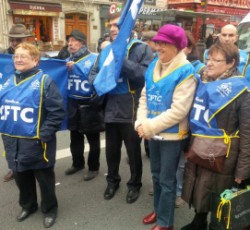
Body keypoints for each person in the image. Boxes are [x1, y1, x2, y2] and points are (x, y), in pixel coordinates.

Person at [181, 43, 250, 230]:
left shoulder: (242, 91)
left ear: (230, 63)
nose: (209, 63)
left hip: (226, 155)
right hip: (199, 147)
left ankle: (215, 224)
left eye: (216, 60)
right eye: (208, 58)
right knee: (199, 186)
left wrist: (243, 171)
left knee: (218, 195)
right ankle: (199, 220)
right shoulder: (202, 83)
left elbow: (247, 134)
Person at [89, 6, 154, 203]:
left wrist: (122, 60)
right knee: (111, 150)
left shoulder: (141, 48)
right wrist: (98, 82)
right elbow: (93, 74)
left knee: (133, 151)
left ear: (129, 26)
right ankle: (112, 181)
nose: (114, 28)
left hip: (131, 106)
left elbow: (144, 76)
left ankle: (134, 184)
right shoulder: (106, 50)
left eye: (119, 25)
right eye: (111, 26)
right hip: (110, 106)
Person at [135, 24, 197, 230]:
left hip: (171, 136)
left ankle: (165, 222)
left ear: (177, 46)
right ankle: (159, 210)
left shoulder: (186, 71)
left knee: (167, 181)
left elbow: (179, 111)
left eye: (164, 43)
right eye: (158, 43)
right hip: (153, 132)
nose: (158, 47)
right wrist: (140, 123)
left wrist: (148, 127)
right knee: (155, 176)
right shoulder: (154, 64)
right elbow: (144, 96)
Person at [0, 43, 65, 228]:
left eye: (23, 56)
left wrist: (42, 135)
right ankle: (28, 205)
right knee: (21, 177)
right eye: (16, 56)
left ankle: (50, 209)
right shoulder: (7, 80)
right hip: (13, 142)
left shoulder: (45, 81)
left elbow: (57, 112)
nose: (18, 59)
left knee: (44, 179)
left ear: (35, 60)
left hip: (37, 143)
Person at [64, 30, 104, 181]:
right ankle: (77, 163)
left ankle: (93, 167)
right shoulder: (67, 60)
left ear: (82, 42)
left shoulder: (94, 58)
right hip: (73, 103)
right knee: (75, 136)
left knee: (92, 138)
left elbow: (99, 79)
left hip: (89, 103)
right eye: (69, 41)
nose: (70, 44)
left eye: (74, 41)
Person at [1, 24, 32, 182]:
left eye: (18, 40)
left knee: (29, 139)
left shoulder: (37, 55)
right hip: (9, 106)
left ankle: (34, 166)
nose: (14, 42)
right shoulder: (3, 56)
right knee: (9, 139)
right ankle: (13, 168)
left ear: (26, 39)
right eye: (12, 40)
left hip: (28, 106)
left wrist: (65, 67)